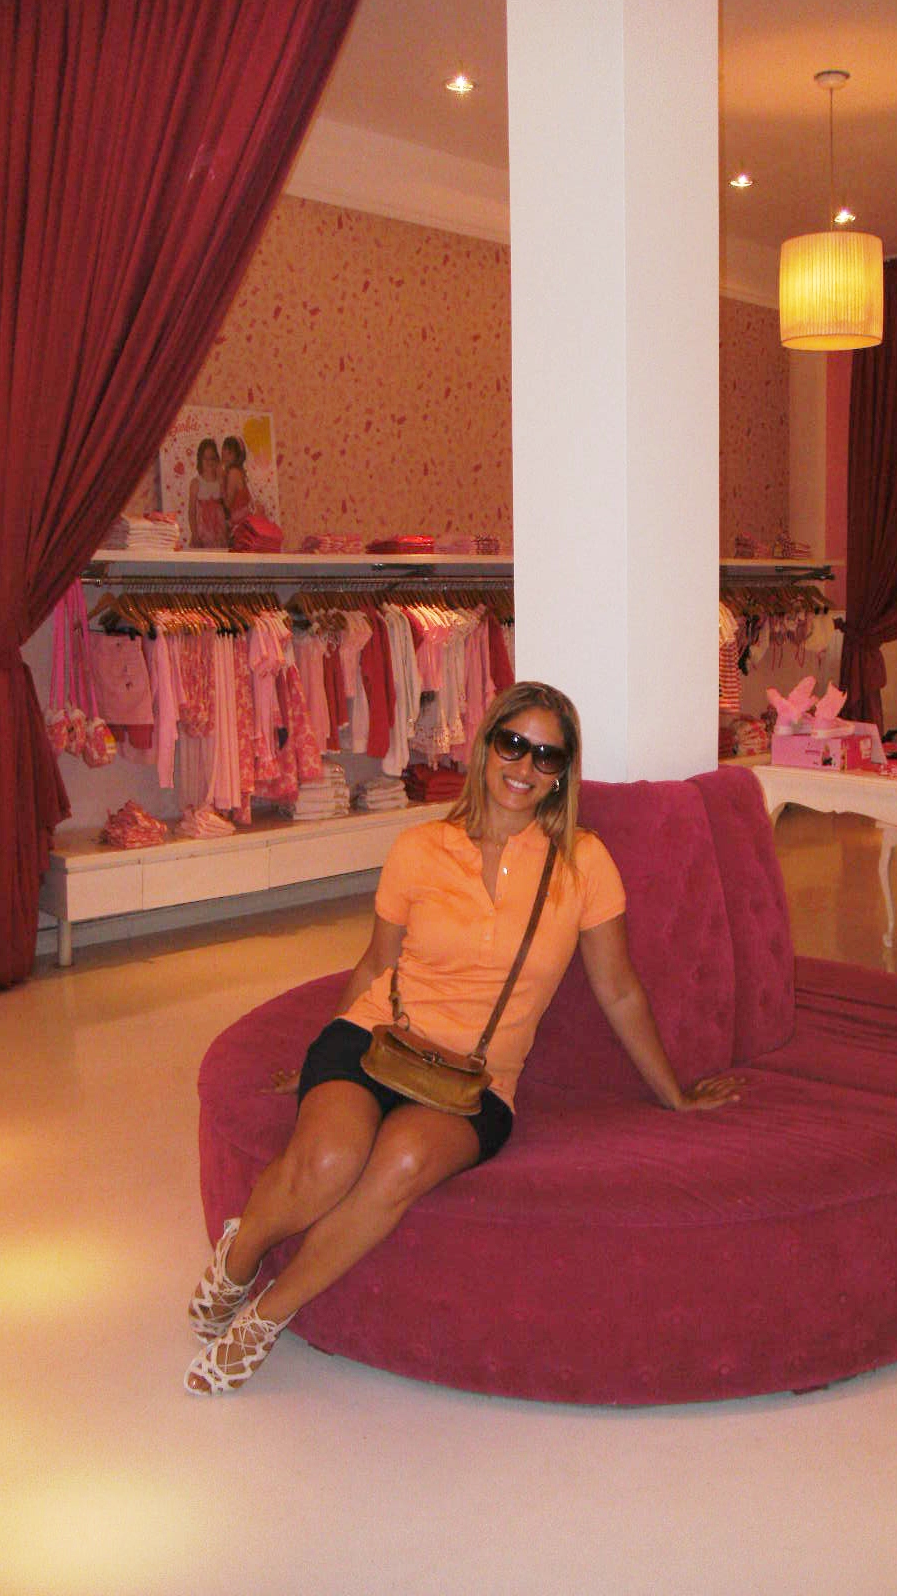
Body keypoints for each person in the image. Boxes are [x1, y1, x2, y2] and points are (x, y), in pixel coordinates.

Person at [184, 681, 744, 1394]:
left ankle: (266, 1317)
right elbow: (376, 964)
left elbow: (620, 990)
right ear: (485, 746)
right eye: (513, 744)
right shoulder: (420, 847)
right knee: (327, 1158)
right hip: (375, 1038)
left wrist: (674, 1095)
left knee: (403, 1161)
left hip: (478, 1081)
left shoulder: (584, 863)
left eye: (547, 755)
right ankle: (236, 1262)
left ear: (562, 773)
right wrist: (314, 1058)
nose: (525, 766)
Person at [186, 438, 227, 549]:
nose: (209, 462)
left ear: (217, 459)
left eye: (212, 458)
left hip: (219, 532)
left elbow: (227, 505)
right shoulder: (196, 483)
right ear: (200, 459)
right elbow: (192, 512)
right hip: (202, 532)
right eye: (206, 458)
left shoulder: (221, 481)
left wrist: (221, 478)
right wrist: (195, 534)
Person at [220, 433, 254, 540]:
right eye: (224, 450)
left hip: (240, 524)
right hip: (242, 522)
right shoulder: (237, 471)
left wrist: (220, 482)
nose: (225, 454)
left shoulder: (233, 473)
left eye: (229, 452)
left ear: (237, 455)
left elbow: (227, 504)